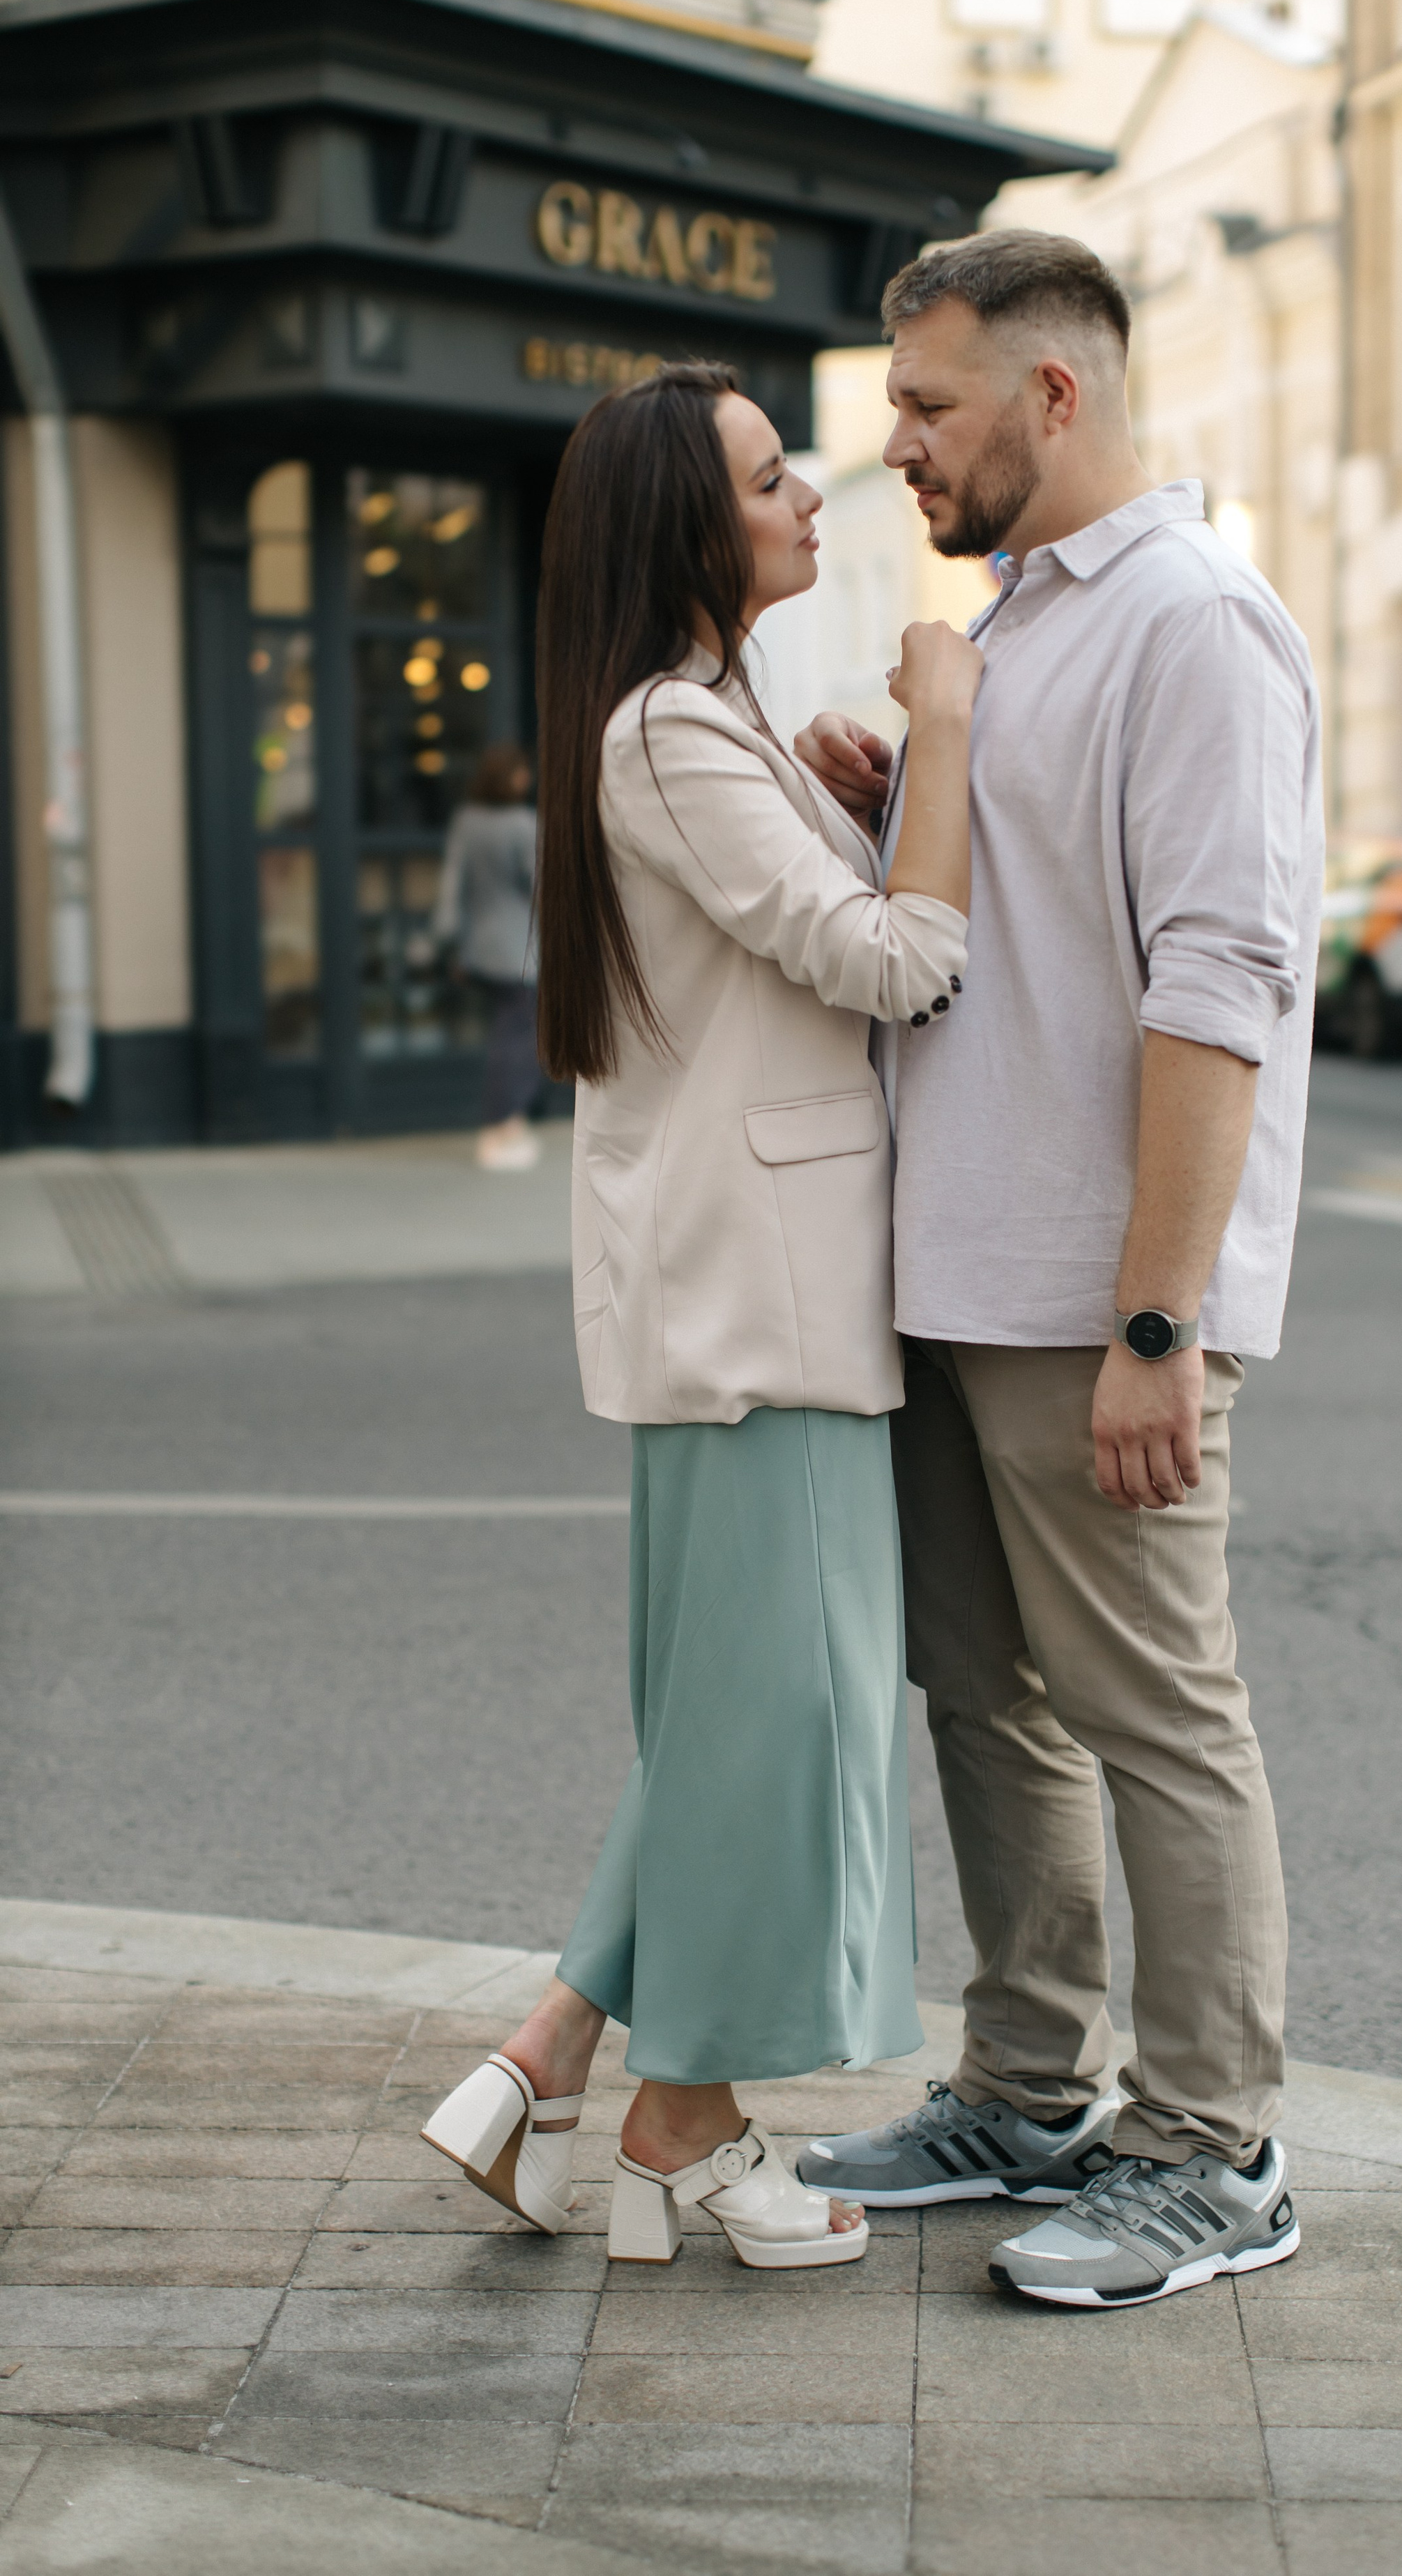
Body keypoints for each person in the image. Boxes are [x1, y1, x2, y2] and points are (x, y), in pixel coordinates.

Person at [792, 229, 1325, 2310]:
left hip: (1088, 1294)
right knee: (985, 1700)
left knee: (1155, 1715)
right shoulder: (1002, 628)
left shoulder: (1192, 623)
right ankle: (1024, 2083)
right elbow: (997, 953)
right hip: (946, 1272)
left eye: (928, 403)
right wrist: (888, 803)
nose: (896, 441)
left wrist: (1156, 1325)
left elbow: (1221, 984)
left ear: (1055, 394)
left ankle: (1214, 2145)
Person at [421, 361, 982, 2275]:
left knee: (737, 1726)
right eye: (770, 480)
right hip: (769, 1305)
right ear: (691, 524)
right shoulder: (669, 730)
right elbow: (895, 963)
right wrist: (950, 739)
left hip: (749, 1293)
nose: (812, 499)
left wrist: (848, 785)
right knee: (778, 1730)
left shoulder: (691, 722)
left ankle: (554, 2063)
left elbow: (793, 947)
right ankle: (683, 2132)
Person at [432, 743, 547, 1172]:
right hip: (518, 949)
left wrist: (450, 941)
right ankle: (502, 1124)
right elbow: (542, 888)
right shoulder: (521, 824)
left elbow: (452, 885)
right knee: (518, 1039)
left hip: (478, 947)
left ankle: (506, 1123)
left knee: (508, 1032)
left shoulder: (467, 821)